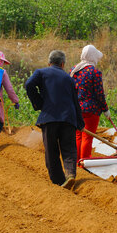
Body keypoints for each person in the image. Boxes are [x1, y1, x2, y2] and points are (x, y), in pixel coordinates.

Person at [25, 50, 84, 190]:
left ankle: (58, 181)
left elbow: (29, 85)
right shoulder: (69, 78)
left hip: (50, 117)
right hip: (68, 118)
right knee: (69, 149)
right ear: (62, 64)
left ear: (49, 62)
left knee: (51, 151)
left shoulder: (41, 72)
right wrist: (80, 122)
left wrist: (39, 103)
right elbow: (76, 102)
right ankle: (70, 175)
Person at [70, 44, 110, 160]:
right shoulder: (94, 72)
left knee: (78, 135)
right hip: (90, 110)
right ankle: (85, 162)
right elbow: (99, 94)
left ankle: (76, 162)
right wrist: (105, 109)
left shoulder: (74, 70)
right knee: (87, 137)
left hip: (76, 108)